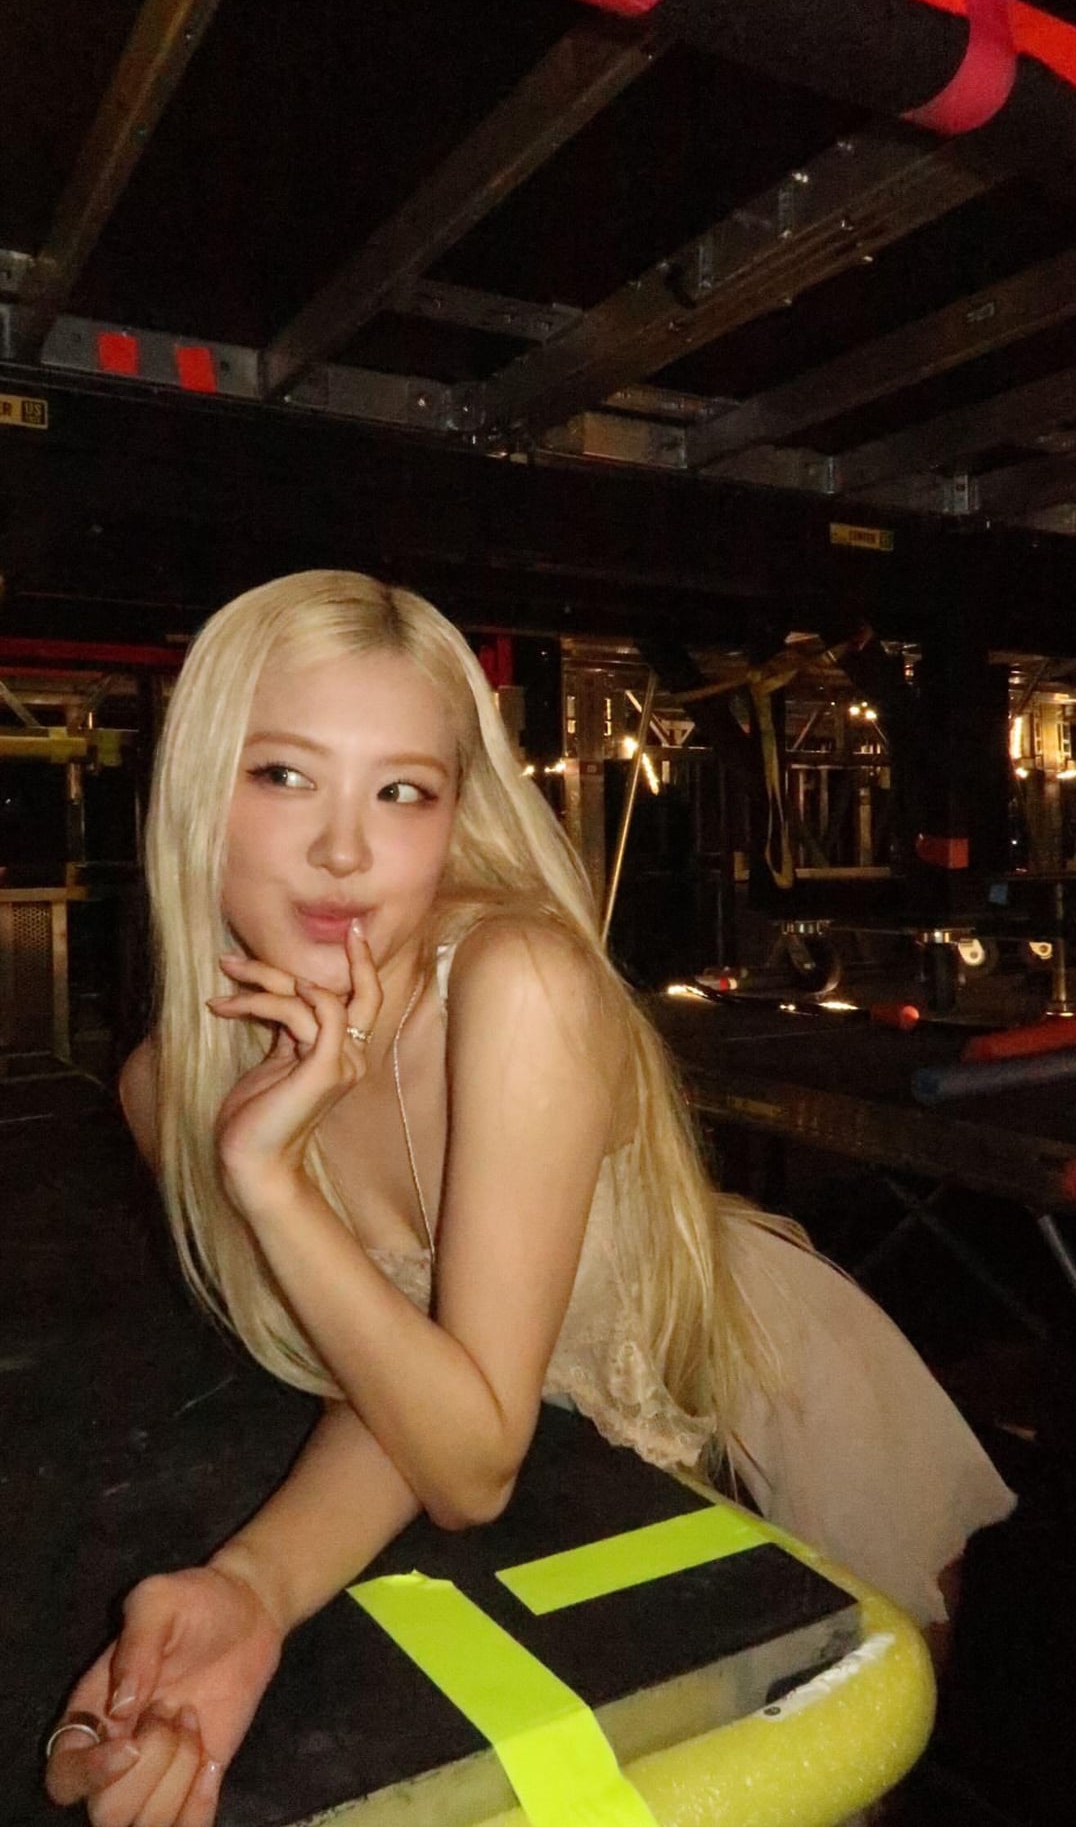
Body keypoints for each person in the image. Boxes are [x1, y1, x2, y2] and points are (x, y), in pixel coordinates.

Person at [46, 570, 1014, 1825]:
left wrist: (271, 1184)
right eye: (283, 774)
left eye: (403, 790)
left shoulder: (516, 984)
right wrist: (249, 1591)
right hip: (562, 1489)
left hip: (754, 1414)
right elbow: (404, 1387)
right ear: (196, 790)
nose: (344, 848)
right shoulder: (168, 1087)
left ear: (457, 813)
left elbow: (471, 1463)